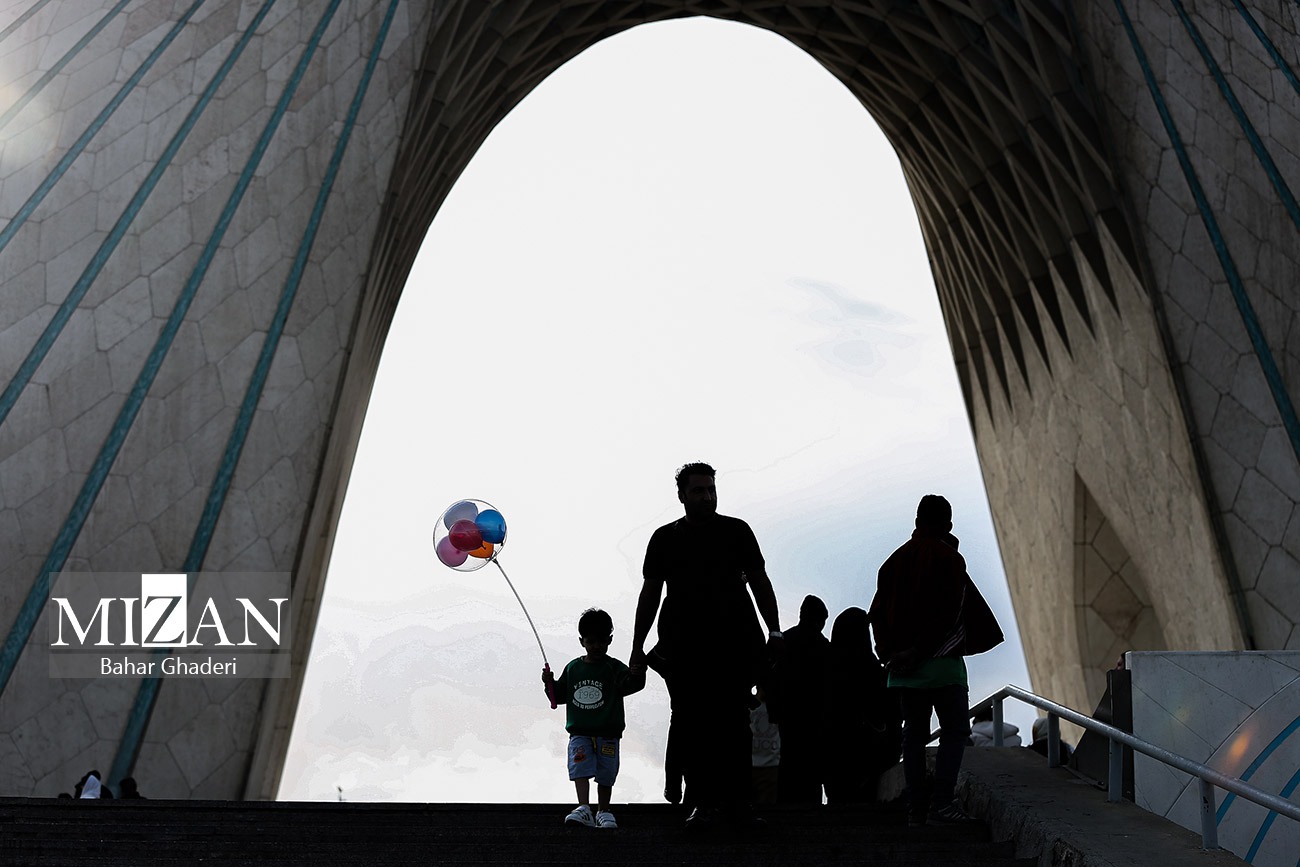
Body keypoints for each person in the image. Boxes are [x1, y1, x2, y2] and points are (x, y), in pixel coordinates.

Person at [632, 461, 782, 831]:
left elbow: (760, 581)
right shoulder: (665, 539)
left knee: (734, 722)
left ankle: (739, 804)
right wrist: (637, 644)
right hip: (684, 644)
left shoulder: (737, 531)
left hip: (734, 642)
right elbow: (650, 593)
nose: (707, 496)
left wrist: (775, 630)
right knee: (693, 721)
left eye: (711, 489)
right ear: (682, 495)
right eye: (698, 490)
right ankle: (703, 803)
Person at [869, 494, 978, 826]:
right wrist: (919, 651)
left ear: (917, 522)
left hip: (904, 671)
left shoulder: (892, 562)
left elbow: (876, 614)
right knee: (955, 731)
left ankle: (916, 809)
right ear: (948, 525)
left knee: (913, 736)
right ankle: (942, 804)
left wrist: (889, 654)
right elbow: (950, 614)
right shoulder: (950, 559)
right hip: (943, 665)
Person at [543, 608, 646, 829]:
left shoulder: (614, 668)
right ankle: (584, 807)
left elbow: (632, 685)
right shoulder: (573, 668)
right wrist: (548, 683)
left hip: (608, 732)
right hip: (579, 732)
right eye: (591, 641)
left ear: (609, 640)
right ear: (582, 641)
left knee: (606, 771)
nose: (596, 646)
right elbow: (558, 696)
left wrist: (639, 674)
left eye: (601, 641)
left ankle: (603, 810)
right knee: (579, 767)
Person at [824, 606, 900, 804]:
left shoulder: (825, 670)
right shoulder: (878, 673)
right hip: (872, 759)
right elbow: (894, 714)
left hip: (835, 757)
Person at [773, 594, 832, 804]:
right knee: (812, 763)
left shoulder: (784, 641)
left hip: (787, 712)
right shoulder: (824, 647)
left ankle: (784, 805)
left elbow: (771, 678)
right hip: (816, 715)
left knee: (788, 758)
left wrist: (774, 710)